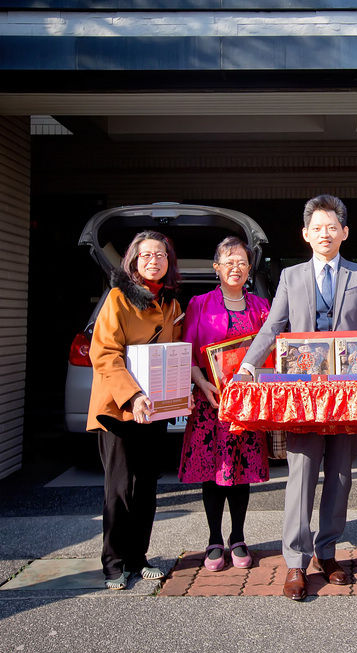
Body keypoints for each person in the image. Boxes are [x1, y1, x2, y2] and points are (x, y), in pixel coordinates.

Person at [239, 194, 357, 601]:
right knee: (301, 475)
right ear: (306, 234)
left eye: (333, 227)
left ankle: (326, 552)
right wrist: (248, 365)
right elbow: (273, 327)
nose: (325, 234)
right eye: (318, 228)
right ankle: (295, 561)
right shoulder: (291, 277)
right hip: (303, 395)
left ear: (344, 233)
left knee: (343, 476)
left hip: (348, 396)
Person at [87, 231, 185, 590]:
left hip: (154, 409)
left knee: (146, 486)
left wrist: (178, 395)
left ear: (168, 262)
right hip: (119, 408)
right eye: (145, 256)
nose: (153, 261)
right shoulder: (116, 299)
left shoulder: (172, 304)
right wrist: (133, 397)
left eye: (160, 255)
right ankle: (113, 564)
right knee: (118, 489)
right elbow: (104, 354)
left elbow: (174, 355)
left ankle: (137, 557)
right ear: (133, 261)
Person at [178, 236, 272, 572]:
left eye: (242, 262)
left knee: (241, 472)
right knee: (212, 473)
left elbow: (271, 357)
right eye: (228, 261)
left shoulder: (262, 307)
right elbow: (187, 351)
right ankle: (214, 539)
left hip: (247, 405)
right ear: (216, 267)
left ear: (250, 269)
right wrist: (202, 383)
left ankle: (238, 536)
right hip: (211, 402)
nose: (236, 267)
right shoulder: (199, 304)